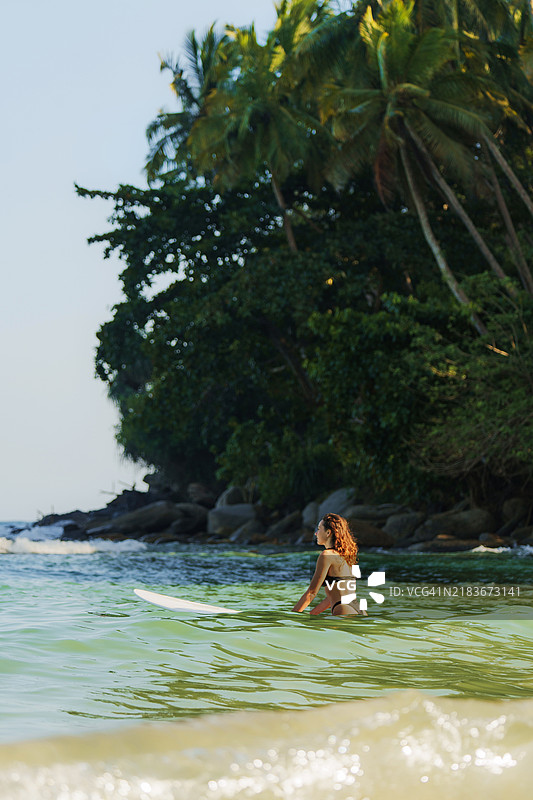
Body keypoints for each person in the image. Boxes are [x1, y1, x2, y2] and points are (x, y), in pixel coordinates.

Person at [292, 513, 367, 616]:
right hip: (358, 609)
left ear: (328, 532)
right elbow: (330, 599)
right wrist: (311, 614)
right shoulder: (346, 556)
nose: (316, 533)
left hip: (343, 609)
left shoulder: (326, 555)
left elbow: (312, 592)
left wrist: (293, 617)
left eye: (319, 529)